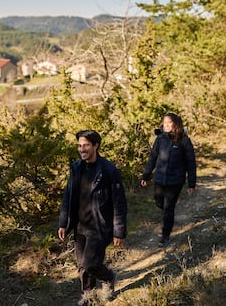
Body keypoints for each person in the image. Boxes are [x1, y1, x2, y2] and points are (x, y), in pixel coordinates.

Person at [58, 130, 127, 306]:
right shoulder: (76, 168)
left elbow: (119, 203)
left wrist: (119, 230)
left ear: (96, 146)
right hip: (80, 225)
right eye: (79, 146)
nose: (82, 149)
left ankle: (108, 277)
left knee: (90, 264)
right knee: (82, 266)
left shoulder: (109, 170)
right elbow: (68, 196)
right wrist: (63, 223)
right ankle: (88, 297)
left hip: (100, 226)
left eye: (86, 145)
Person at [140, 112, 196, 247]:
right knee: (159, 202)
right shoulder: (160, 139)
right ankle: (167, 215)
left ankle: (165, 236)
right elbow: (152, 157)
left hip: (175, 181)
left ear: (175, 124)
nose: (165, 126)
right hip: (159, 178)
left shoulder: (184, 140)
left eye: (168, 123)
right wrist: (146, 175)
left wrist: (191, 183)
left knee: (168, 208)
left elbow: (191, 162)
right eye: (164, 123)